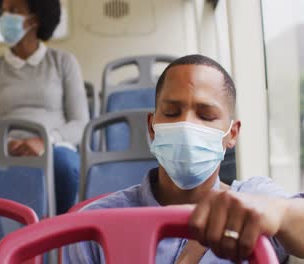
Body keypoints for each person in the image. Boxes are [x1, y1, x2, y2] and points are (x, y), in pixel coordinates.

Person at [63, 54, 304, 263]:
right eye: (171, 113)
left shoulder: (255, 199)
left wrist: (280, 213)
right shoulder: (98, 222)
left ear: (231, 134)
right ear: (152, 127)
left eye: (206, 116)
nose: (186, 124)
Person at [0, 0, 89, 214]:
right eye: (4, 11)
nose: (5, 17)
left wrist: (45, 141)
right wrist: (6, 144)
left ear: (35, 19)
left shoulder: (63, 62)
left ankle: (62, 236)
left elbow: (81, 124)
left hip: (53, 148)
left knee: (65, 166)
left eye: (14, 11)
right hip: (4, 149)